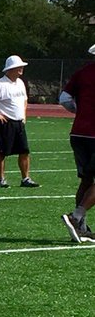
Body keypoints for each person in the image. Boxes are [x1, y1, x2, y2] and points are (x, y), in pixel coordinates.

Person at [0, 55, 39, 189]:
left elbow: (24, 100)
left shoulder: (20, 83)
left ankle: (25, 178)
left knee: (24, 151)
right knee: (2, 152)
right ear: (10, 69)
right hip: (5, 123)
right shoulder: (1, 84)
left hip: (19, 123)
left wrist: (23, 116)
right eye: (18, 67)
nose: (21, 69)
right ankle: (1, 180)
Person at [59, 43, 95, 243]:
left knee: (86, 180)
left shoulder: (81, 74)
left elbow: (64, 99)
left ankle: (81, 229)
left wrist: (80, 112)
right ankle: (76, 217)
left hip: (79, 133)